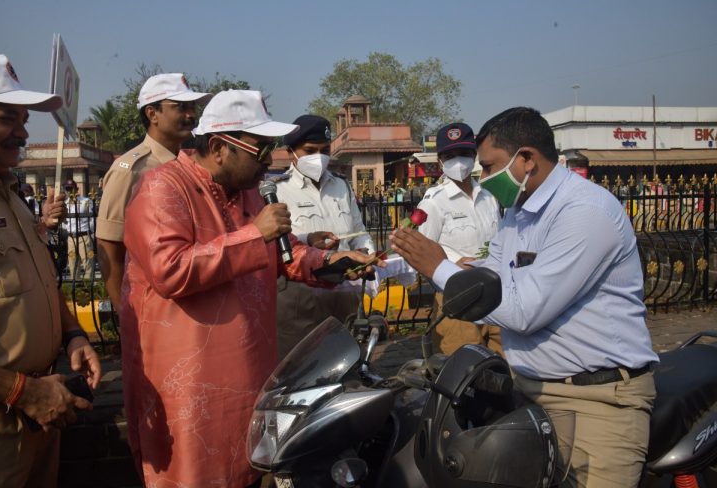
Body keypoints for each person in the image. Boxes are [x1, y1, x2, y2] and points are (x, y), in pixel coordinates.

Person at [120, 90, 380, 487]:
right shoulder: (162, 188)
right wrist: (253, 236)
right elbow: (169, 270)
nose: (268, 161)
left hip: (252, 378)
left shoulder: (249, 194)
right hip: (191, 390)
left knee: (252, 471)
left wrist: (333, 264)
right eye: (260, 150)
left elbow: (283, 252)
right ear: (219, 148)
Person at [391, 107, 658, 488]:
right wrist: (434, 263)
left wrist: (438, 266)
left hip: (596, 402)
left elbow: (525, 310)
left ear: (527, 159)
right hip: (530, 391)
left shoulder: (584, 211)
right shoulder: (518, 214)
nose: (483, 177)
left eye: (489, 166)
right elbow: (493, 280)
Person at [0, 52, 102, 487]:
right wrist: (21, 392)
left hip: (42, 413)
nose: (21, 131)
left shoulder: (6, 193)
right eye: (4, 118)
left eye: (22, 118)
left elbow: (34, 283)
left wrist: (71, 333)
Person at [96, 73, 211, 310]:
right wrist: (125, 313)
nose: (191, 114)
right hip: (150, 307)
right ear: (152, 114)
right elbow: (109, 247)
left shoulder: (191, 164)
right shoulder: (129, 170)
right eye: (181, 107)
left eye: (192, 107)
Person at [274, 114, 376, 358]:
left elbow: (359, 232)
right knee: (301, 364)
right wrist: (309, 237)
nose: (318, 157)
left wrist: (368, 255)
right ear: (291, 152)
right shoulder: (277, 190)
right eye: (309, 150)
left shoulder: (342, 186)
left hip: (345, 291)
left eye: (324, 149)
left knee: (348, 359)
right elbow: (282, 245)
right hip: (301, 298)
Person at [416, 122, 502, 355]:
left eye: (464, 154)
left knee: (504, 367)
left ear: (474, 156)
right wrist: (452, 266)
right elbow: (420, 255)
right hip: (456, 298)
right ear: (440, 161)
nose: (458, 161)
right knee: (465, 370)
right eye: (450, 155)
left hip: (495, 294)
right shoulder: (433, 202)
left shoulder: (489, 196)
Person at [62, 179, 95, 280]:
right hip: (71, 237)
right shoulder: (65, 203)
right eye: (67, 189)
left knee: (87, 260)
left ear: (76, 189)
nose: (69, 191)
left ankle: (88, 285)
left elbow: (92, 218)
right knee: (72, 262)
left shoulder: (86, 201)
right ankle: (75, 284)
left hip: (84, 235)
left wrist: (90, 232)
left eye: (71, 188)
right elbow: (63, 220)